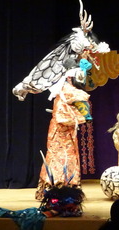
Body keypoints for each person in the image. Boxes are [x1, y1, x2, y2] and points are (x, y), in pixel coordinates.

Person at [35, 58, 92, 200]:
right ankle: (60, 190)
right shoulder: (66, 89)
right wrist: (83, 116)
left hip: (61, 130)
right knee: (62, 157)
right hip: (61, 129)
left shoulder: (62, 89)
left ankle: (56, 189)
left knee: (59, 155)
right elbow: (66, 113)